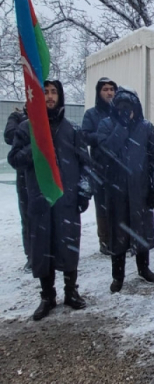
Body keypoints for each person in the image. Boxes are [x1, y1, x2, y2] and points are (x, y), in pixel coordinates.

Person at [9, 80, 91, 321]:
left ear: (61, 96)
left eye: (54, 92)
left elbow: (86, 164)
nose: (49, 96)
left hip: (67, 200)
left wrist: (84, 192)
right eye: (45, 92)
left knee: (68, 246)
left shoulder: (72, 130)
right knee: (43, 249)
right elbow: (14, 159)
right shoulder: (27, 129)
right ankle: (47, 296)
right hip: (39, 200)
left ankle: (70, 291)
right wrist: (35, 145)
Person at [96, 87, 154, 293]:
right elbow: (105, 153)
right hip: (116, 191)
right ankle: (118, 275)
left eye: (130, 107)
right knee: (119, 234)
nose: (127, 111)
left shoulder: (146, 127)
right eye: (122, 107)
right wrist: (121, 127)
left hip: (141, 189)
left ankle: (144, 268)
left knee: (141, 230)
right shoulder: (107, 125)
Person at [81, 77, 117, 254]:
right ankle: (105, 240)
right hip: (100, 167)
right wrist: (104, 137)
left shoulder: (120, 112)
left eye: (111, 89)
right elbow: (85, 136)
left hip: (119, 167)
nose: (109, 92)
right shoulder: (91, 114)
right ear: (99, 92)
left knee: (119, 205)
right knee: (102, 205)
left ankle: (121, 238)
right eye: (105, 89)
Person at [4, 104, 30, 270]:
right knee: (28, 218)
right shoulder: (18, 117)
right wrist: (28, 125)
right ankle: (32, 255)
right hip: (25, 175)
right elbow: (9, 136)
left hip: (47, 175)